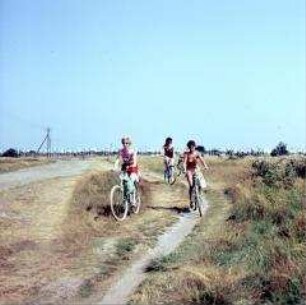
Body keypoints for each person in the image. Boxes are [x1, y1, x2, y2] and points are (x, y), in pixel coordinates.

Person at [183, 140, 209, 207]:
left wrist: (205, 166)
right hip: (189, 170)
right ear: (189, 147)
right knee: (191, 185)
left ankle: (198, 195)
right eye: (190, 147)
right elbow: (184, 163)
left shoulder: (197, 153)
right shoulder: (186, 154)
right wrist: (184, 170)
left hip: (196, 169)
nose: (192, 148)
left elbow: (202, 160)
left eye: (193, 146)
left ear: (195, 146)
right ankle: (191, 200)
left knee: (200, 183)